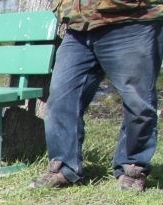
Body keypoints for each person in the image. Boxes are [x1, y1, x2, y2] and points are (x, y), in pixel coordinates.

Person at [30, 0, 162, 191]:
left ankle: (132, 169)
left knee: (137, 102)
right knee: (60, 99)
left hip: (132, 20)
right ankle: (63, 167)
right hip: (79, 24)